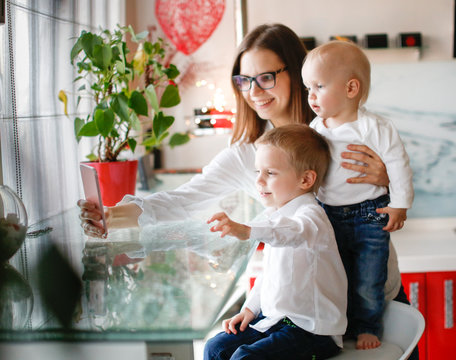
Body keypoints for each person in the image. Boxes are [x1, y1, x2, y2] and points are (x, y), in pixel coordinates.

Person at [78, 23, 417, 359]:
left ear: (298, 73)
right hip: (302, 318)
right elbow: (184, 199)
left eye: (266, 77)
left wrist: (384, 177)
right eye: (244, 80)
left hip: (372, 304)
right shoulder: (249, 155)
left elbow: (396, 190)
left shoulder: (344, 130)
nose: (254, 90)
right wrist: (110, 215)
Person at [302, 40, 414, 350]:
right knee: (336, 276)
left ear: (351, 88)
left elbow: (398, 165)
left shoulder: (375, 127)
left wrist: (400, 205)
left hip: (370, 214)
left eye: (318, 86)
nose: (310, 95)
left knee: (367, 278)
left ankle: (367, 327)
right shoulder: (315, 128)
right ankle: (341, 326)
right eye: (307, 87)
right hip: (328, 214)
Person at [204, 124, 346, 360]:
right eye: (257, 172)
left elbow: (294, 232)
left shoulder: (311, 217)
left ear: (306, 179)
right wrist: (250, 308)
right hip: (275, 320)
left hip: (312, 331)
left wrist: (247, 230)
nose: (259, 181)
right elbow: (269, 275)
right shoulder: (276, 218)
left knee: (245, 358)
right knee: (215, 348)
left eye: (270, 173)